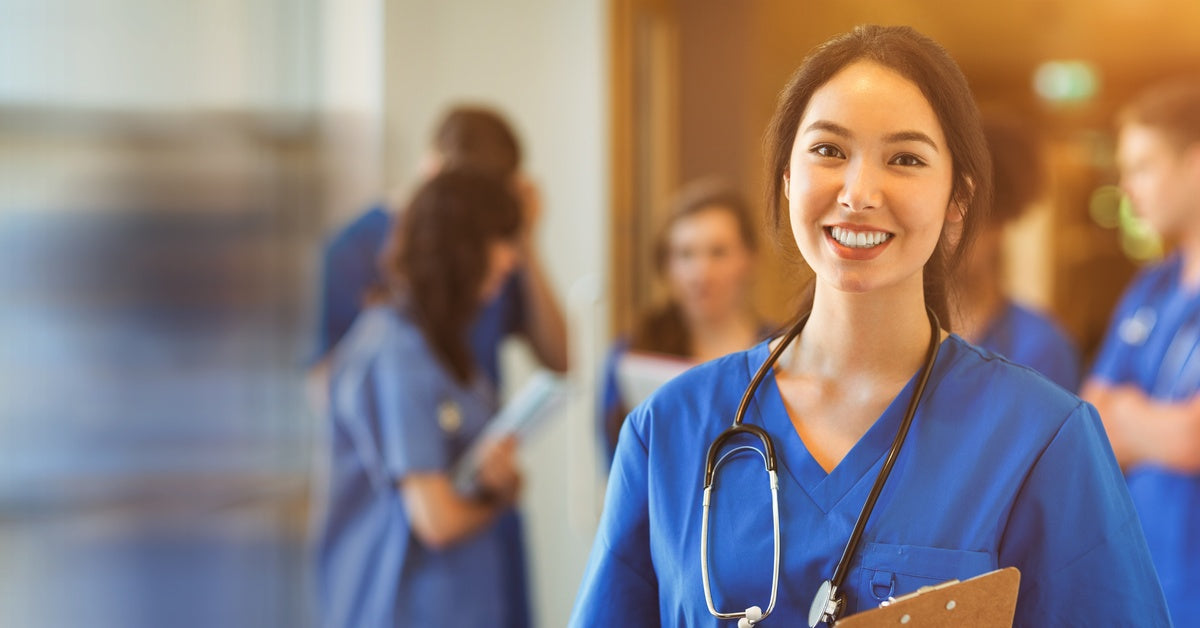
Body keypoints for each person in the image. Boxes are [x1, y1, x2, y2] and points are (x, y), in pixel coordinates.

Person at [571, 25, 1169, 627]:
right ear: (786, 178)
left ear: (955, 204)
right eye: (829, 151)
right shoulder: (669, 430)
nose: (858, 192)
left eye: (905, 159)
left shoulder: (1042, 438)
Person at [311, 106, 565, 628]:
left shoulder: (442, 345)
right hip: (404, 602)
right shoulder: (397, 350)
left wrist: (490, 478)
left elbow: (559, 357)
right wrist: (501, 498)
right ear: (464, 251)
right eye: (501, 254)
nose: (510, 265)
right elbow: (437, 519)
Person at [1081, 75, 1200, 627]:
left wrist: (1135, 419)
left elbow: (1193, 437)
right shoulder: (1150, 287)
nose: (1128, 189)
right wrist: (1160, 428)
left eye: (1144, 166)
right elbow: (1092, 420)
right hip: (1144, 595)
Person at [599, 180, 770, 466]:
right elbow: (617, 466)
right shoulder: (633, 353)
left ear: (749, 258)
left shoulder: (785, 352)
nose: (701, 273)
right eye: (685, 255)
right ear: (666, 265)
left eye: (718, 252)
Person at [950, 114, 1081, 390]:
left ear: (998, 227)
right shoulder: (895, 341)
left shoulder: (1038, 347)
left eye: (964, 217)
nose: (945, 236)